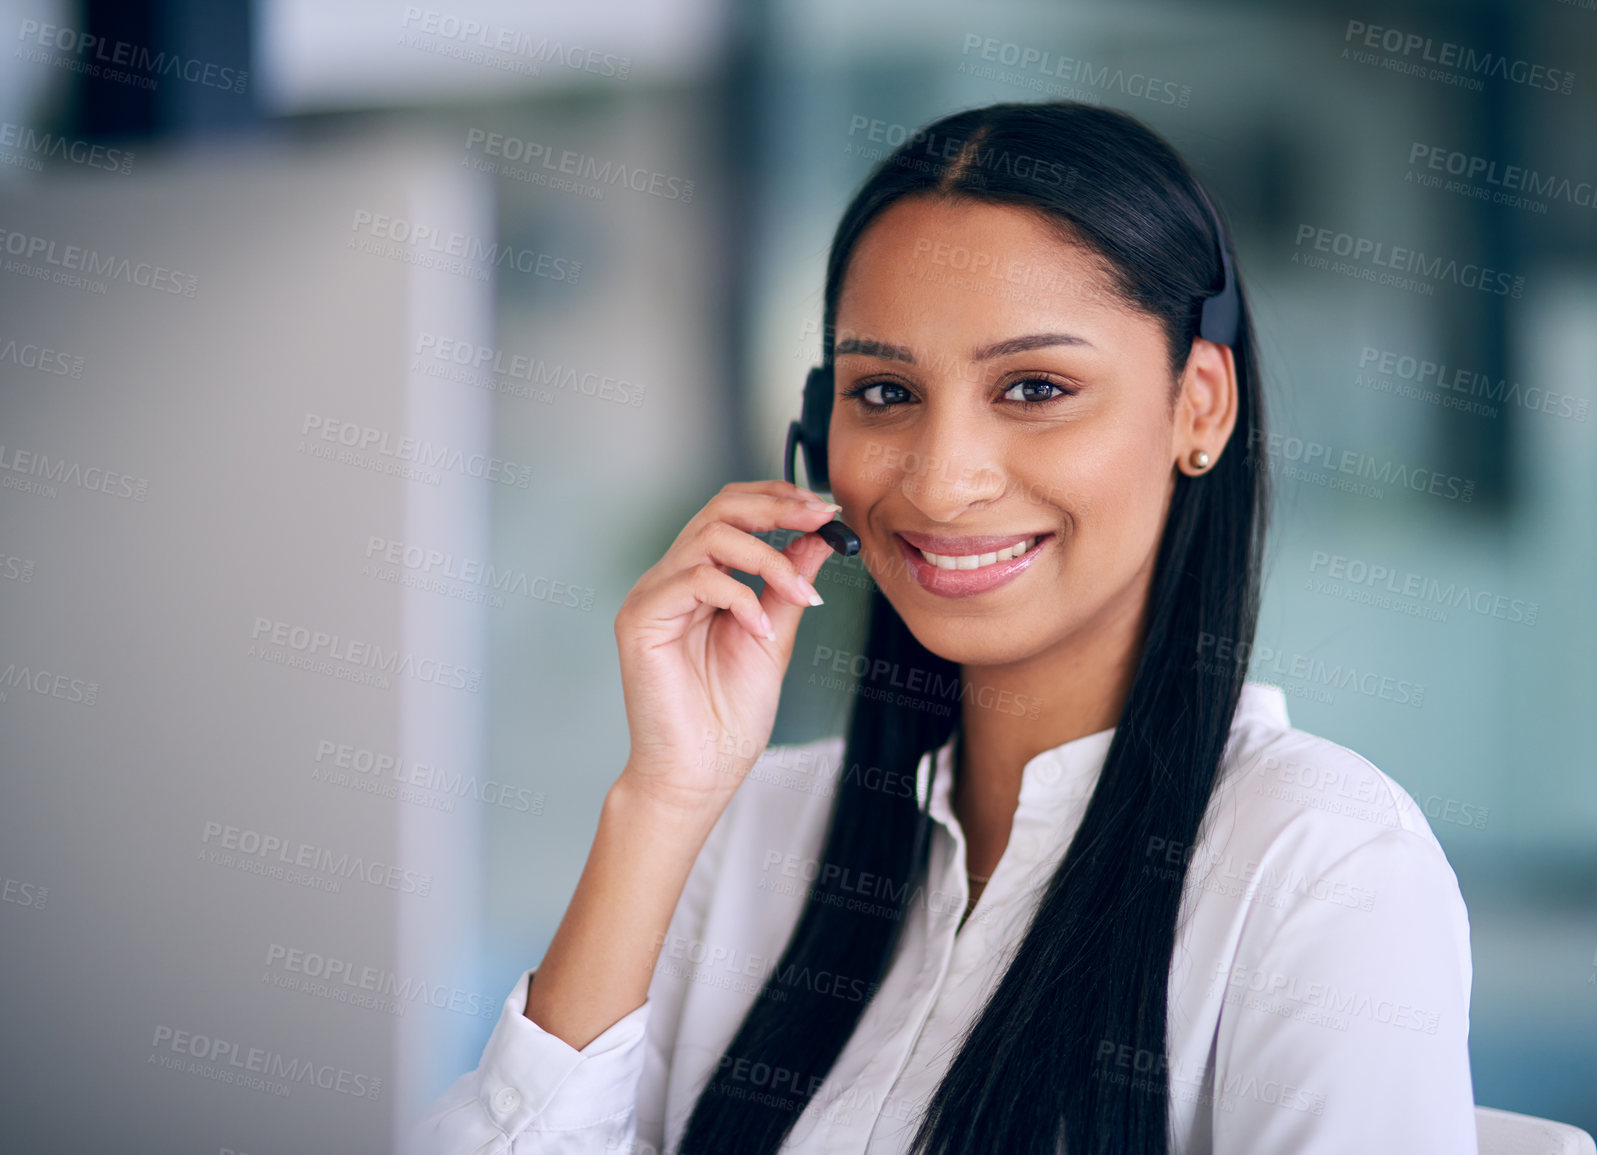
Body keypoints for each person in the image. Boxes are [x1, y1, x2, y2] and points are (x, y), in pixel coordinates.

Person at [415, 101, 1476, 1154]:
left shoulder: (1321, 866)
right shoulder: (759, 831)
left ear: (1199, 406)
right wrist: (662, 801)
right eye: (884, 392)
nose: (940, 479)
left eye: (1034, 387)